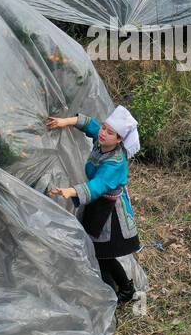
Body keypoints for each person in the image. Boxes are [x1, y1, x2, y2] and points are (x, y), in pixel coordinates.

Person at [45, 106, 142, 303]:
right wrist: (65, 122)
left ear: (119, 139)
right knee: (103, 255)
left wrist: (70, 191)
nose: (103, 133)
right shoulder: (103, 140)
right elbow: (90, 124)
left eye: (109, 132)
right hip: (98, 206)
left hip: (110, 213)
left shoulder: (115, 162)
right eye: (104, 128)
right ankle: (125, 289)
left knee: (102, 255)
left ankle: (112, 296)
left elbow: (99, 186)